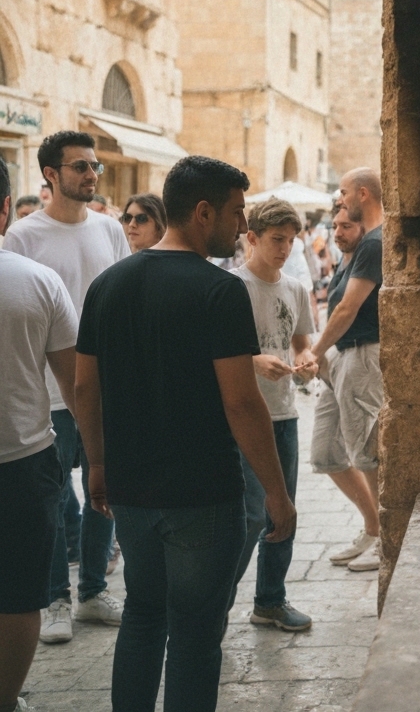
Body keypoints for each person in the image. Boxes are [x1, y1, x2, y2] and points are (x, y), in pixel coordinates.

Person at [75, 155, 296, 712]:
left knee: (142, 616)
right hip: (202, 494)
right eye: (236, 212)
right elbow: (241, 402)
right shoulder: (219, 291)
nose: (242, 226)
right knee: (196, 634)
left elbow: (84, 388)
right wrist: (276, 492)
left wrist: (98, 466)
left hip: (132, 490)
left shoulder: (107, 285)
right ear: (203, 212)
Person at [3, 131, 128, 645]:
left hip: (107, 386)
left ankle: (93, 590)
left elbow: (123, 301)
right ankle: (54, 597)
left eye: (95, 165)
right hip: (51, 392)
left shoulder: (109, 230)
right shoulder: (23, 236)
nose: (91, 174)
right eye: (80, 166)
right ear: (51, 175)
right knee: (53, 499)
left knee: (105, 486)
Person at [0, 161, 79, 712]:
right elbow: (76, 385)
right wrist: (100, 459)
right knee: (20, 594)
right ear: (6, 208)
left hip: (27, 459)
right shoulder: (37, 281)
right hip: (24, 459)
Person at [229, 198, 318, 632]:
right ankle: (216, 604)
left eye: (290, 240)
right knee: (248, 517)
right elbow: (213, 355)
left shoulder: (296, 288)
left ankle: (270, 600)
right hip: (242, 415)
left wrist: (307, 361)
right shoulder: (232, 287)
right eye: (276, 239)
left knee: (285, 512)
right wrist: (254, 361)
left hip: (284, 413)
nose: (284, 248)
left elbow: (301, 342)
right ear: (252, 238)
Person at [300, 169, 385, 572]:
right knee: (326, 452)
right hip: (344, 357)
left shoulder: (374, 243)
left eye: (345, 192)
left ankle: (386, 538)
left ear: (363, 194)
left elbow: (348, 308)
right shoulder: (362, 246)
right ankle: (373, 528)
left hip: (362, 356)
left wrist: (314, 352)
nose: (340, 198)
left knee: (367, 453)